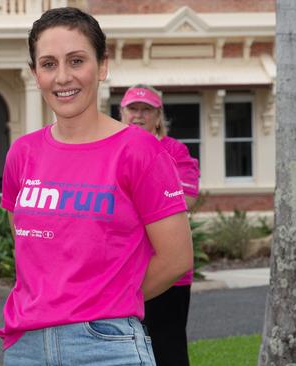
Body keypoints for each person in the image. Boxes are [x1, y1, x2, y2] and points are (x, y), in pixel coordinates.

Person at [0, 7, 193, 365]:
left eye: (76, 61)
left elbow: (177, 258)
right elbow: (27, 250)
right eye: (48, 64)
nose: (62, 77)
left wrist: (105, 302)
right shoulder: (22, 154)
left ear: (102, 66)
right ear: (34, 73)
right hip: (27, 346)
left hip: (106, 345)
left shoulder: (139, 151)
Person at [120, 84, 200, 366]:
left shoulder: (174, 151)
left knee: (167, 350)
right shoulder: (112, 149)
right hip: (122, 270)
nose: (138, 115)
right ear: (122, 112)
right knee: (122, 349)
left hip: (168, 272)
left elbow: (187, 199)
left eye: (146, 110)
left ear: (158, 116)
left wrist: (133, 199)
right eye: (133, 109)